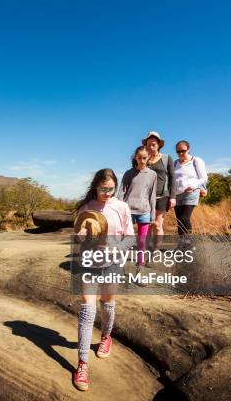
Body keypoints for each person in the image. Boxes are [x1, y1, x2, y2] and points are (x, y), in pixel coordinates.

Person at [72, 168, 134, 391]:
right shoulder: (85, 208)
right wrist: (79, 237)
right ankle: (82, 363)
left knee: (107, 305)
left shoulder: (122, 207)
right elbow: (78, 236)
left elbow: (130, 238)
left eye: (111, 189)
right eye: (103, 188)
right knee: (87, 310)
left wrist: (116, 247)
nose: (107, 193)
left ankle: (106, 336)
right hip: (89, 262)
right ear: (95, 187)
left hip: (113, 262)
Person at [117, 146, 157, 270]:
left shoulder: (152, 174)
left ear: (149, 157)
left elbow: (152, 195)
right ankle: (120, 266)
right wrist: (118, 210)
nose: (142, 160)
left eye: (144, 158)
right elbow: (121, 192)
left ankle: (140, 266)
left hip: (144, 211)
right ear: (135, 157)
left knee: (142, 241)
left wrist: (153, 215)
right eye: (139, 158)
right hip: (128, 211)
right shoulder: (129, 173)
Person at [142, 131, 176, 250]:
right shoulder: (143, 159)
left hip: (162, 195)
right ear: (145, 145)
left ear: (158, 145)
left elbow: (172, 178)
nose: (151, 147)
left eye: (154, 144)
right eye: (149, 144)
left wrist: (173, 197)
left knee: (157, 224)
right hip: (145, 197)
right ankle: (145, 249)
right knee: (147, 225)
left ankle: (156, 249)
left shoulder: (167, 158)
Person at [173, 140, 208, 238]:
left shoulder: (196, 161)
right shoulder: (175, 163)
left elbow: (204, 178)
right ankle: (182, 244)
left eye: (183, 151)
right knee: (179, 220)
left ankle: (188, 244)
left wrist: (193, 186)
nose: (180, 153)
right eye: (178, 151)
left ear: (188, 149)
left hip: (191, 193)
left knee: (185, 218)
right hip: (177, 194)